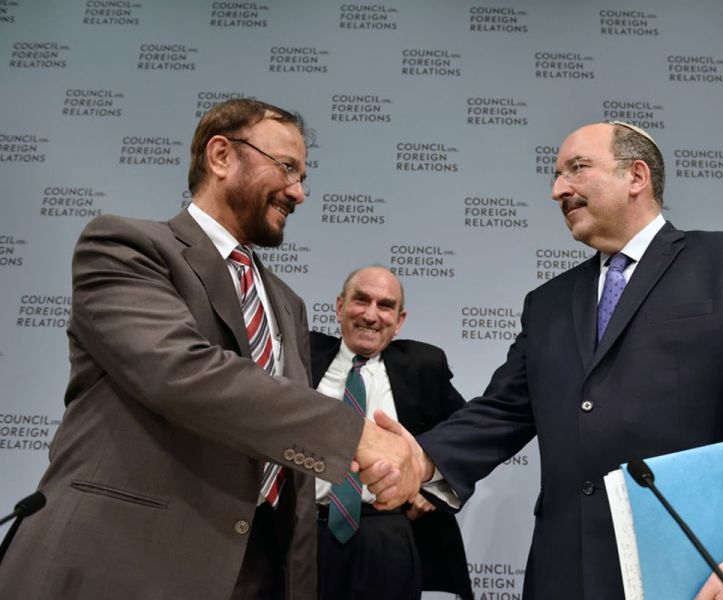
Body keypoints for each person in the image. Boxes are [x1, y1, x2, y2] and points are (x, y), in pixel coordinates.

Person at [408, 122, 723, 600]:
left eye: (576, 168)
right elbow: (502, 410)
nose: (558, 190)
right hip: (568, 576)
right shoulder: (547, 304)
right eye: (556, 176)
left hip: (709, 576)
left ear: (636, 176)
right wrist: (421, 459)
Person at [0, 98, 421, 599]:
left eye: (303, 176)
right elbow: (181, 371)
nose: (299, 192)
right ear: (221, 156)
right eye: (287, 167)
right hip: (123, 563)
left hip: (252, 574)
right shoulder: (126, 246)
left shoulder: (287, 303)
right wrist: (355, 436)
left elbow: (286, 453)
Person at [309, 265, 473, 600]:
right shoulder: (302, 353)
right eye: (361, 300)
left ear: (399, 321)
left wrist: (430, 485)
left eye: (385, 306)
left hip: (385, 534)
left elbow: (467, 434)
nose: (371, 315)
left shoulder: (424, 365)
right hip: (303, 534)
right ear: (340, 307)